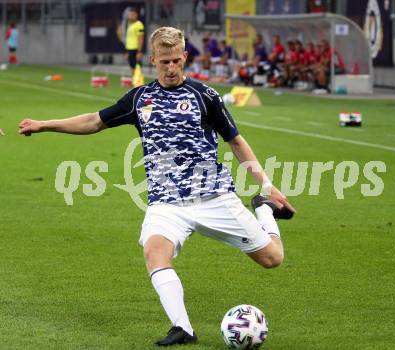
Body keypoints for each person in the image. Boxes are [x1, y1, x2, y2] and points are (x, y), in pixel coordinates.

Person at [18, 26, 295, 347]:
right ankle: (183, 328)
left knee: (272, 258)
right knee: (154, 250)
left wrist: (267, 186)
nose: (171, 67)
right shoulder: (139, 98)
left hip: (214, 197)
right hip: (167, 204)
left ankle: (262, 209)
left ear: (185, 57)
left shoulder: (205, 96)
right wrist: (44, 125)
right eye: (164, 62)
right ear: (153, 60)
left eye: (177, 60)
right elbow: (94, 120)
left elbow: (235, 141)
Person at [125, 7, 144, 72]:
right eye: (129, 15)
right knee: (131, 67)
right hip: (130, 50)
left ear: (136, 15)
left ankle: (138, 82)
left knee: (137, 69)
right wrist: (127, 51)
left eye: (132, 15)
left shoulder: (139, 24)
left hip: (135, 50)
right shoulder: (130, 25)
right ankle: (134, 81)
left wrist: (139, 52)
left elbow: (141, 38)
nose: (130, 17)